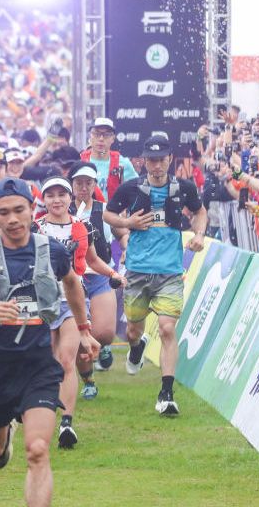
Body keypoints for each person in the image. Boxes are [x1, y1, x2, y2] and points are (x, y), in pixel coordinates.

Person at [0, 178, 99, 507]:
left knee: (39, 451)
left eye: (19, 210)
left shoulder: (52, 251)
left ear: (33, 210)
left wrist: (84, 328)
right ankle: (3, 442)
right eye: (4, 213)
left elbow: (72, 283)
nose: (13, 219)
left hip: (39, 368)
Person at [103, 135, 206, 416]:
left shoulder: (183, 188)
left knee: (167, 329)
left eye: (161, 160)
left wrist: (199, 234)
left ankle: (167, 394)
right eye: (151, 160)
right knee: (134, 330)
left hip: (170, 271)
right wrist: (128, 222)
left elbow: (200, 212)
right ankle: (136, 348)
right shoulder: (132, 189)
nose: (156, 165)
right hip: (137, 270)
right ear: (143, 161)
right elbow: (108, 215)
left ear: (170, 159)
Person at [34, 176, 125, 448]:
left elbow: (92, 260)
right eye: (51, 195)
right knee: (45, 364)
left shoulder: (81, 227)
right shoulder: (35, 228)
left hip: (73, 303)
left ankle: (66, 424)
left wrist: (112, 274)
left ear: (69, 197)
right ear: (45, 200)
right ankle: (40, 413)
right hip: (41, 303)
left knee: (66, 360)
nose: (57, 200)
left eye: (62, 194)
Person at [67, 162, 125, 397]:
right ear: (72, 185)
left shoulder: (104, 210)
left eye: (88, 182)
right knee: (82, 334)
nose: (83, 187)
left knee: (103, 333)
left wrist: (127, 247)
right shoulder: (63, 210)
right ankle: (89, 381)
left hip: (101, 275)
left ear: (94, 184)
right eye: (79, 182)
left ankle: (104, 347)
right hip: (72, 279)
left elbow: (122, 232)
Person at [81, 118, 137, 202]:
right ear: (90, 136)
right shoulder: (80, 162)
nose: (101, 139)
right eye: (96, 134)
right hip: (85, 213)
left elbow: (136, 191)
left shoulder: (122, 163)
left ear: (113, 138)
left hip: (113, 212)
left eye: (106, 135)